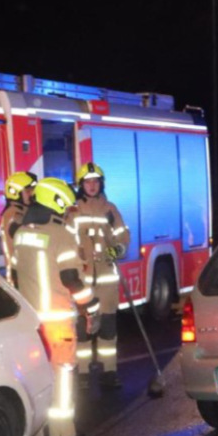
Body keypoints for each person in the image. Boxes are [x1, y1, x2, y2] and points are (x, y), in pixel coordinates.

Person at [12, 177, 99, 436]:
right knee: (62, 374)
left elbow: (14, 275)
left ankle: (38, 432)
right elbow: (72, 278)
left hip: (30, 322)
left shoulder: (21, 234)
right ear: (56, 203)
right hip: (57, 320)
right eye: (64, 207)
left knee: (36, 374)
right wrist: (91, 305)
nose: (66, 211)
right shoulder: (60, 235)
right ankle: (63, 434)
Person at [68, 162, 130, 389]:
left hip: (106, 281)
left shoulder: (110, 209)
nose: (92, 186)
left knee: (107, 328)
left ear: (101, 184)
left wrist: (118, 249)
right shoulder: (72, 211)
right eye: (87, 182)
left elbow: (123, 237)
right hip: (82, 280)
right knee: (82, 329)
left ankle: (109, 372)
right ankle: (82, 374)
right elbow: (65, 241)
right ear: (81, 185)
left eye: (95, 182)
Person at [0, 171, 37, 284]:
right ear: (16, 193)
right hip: (19, 277)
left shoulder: (21, 211)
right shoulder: (14, 214)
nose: (32, 194)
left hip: (23, 274)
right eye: (28, 191)